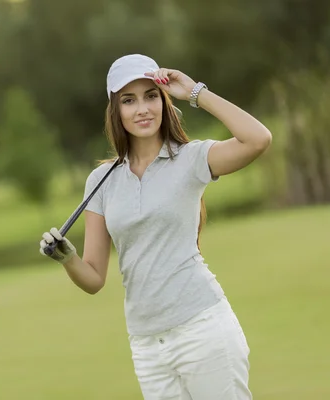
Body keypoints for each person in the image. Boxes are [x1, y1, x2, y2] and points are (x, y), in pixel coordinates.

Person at [39, 54, 272, 399]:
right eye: (128, 101)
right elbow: (94, 279)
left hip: (202, 329)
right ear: (115, 111)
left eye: (151, 96)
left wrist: (194, 92)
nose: (142, 108)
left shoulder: (191, 158)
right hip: (148, 346)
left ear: (164, 101)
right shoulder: (101, 180)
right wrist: (67, 258)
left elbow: (257, 139)